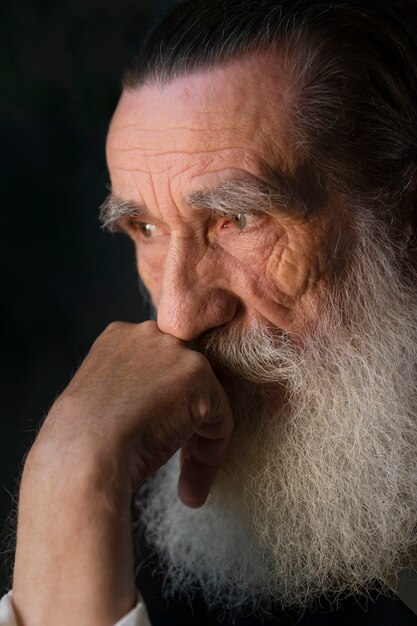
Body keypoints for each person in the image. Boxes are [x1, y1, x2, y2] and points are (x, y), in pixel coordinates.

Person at [2, 0, 417, 624]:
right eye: (143, 226)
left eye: (239, 218)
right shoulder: (139, 588)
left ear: (403, 228)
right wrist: (68, 482)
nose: (177, 317)